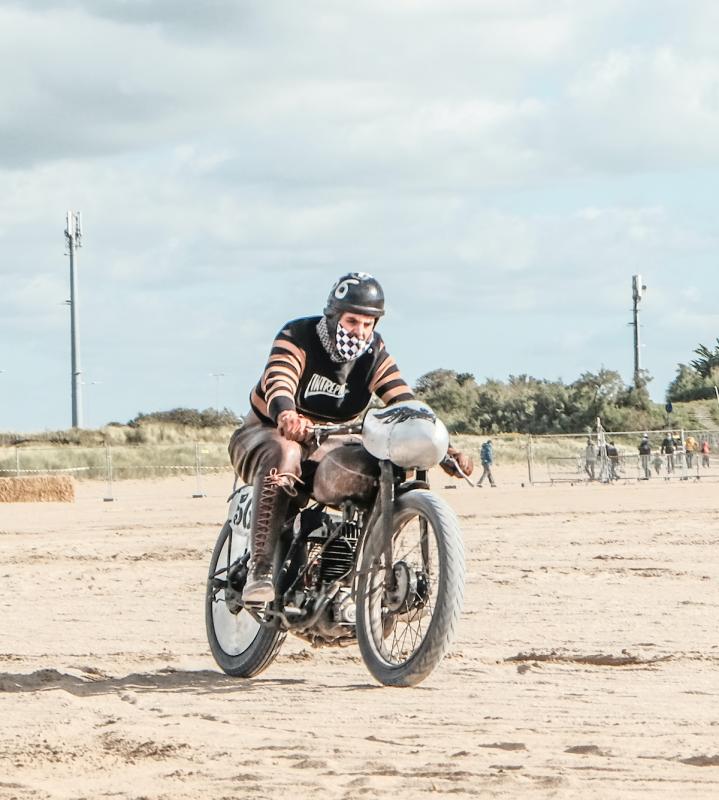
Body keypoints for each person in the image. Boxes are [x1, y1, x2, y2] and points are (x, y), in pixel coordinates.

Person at [228, 272, 474, 603]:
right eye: (352, 320)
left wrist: (445, 450)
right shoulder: (298, 335)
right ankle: (260, 570)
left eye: (367, 324)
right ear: (332, 317)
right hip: (265, 433)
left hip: (329, 441)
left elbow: (404, 402)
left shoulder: (374, 355)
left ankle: (347, 569)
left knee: (380, 467)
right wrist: (287, 414)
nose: (359, 331)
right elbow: (280, 377)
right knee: (284, 453)